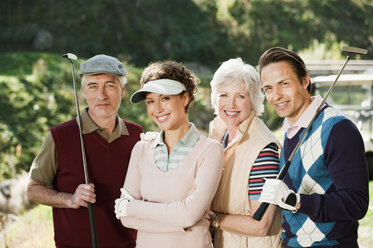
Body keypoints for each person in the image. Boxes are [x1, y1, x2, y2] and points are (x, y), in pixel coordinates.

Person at [26, 54, 143, 248]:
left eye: (109, 85)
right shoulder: (59, 137)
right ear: (83, 91)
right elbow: (33, 189)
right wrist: (70, 199)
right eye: (93, 86)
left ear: (122, 90)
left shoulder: (136, 135)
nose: (101, 95)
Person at [258, 47, 369, 248]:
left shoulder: (337, 129)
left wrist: (296, 200)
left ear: (305, 81)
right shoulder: (289, 129)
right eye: (268, 88)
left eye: (284, 84)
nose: (276, 96)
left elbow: (356, 204)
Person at [114, 60, 224, 248]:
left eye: (165, 98)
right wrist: (180, 222)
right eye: (150, 101)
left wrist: (133, 207)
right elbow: (125, 218)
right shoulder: (141, 149)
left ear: (185, 98)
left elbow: (188, 214)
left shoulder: (210, 151)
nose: (157, 109)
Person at [208, 58, 283, 248]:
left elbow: (261, 225)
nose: (231, 104)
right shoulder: (218, 137)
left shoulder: (263, 149)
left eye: (240, 96)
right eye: (223, 94)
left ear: (254, 100)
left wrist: (212, 218)